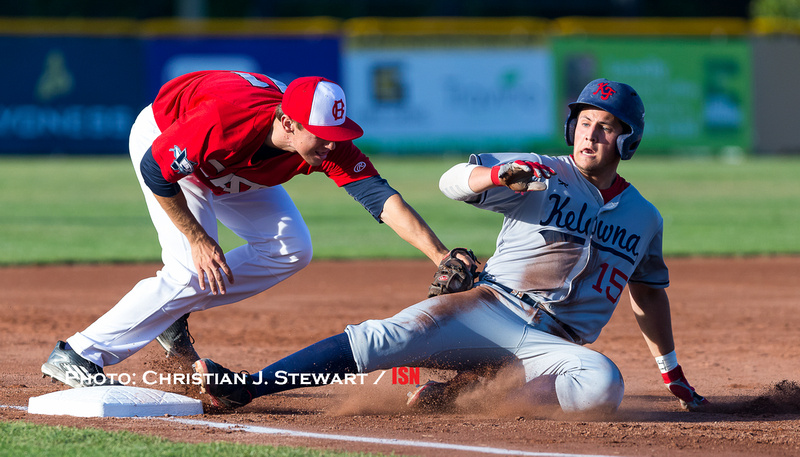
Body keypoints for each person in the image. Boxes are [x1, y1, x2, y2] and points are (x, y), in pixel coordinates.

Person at [192, 78, 709, 414]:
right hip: (489, 307)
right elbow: (451, 181)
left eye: (607, 128)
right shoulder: (544, 172)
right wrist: (493, 175)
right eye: (586, 122)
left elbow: (648, 294)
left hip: (556, 344)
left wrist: (673, 373)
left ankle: (461, 395)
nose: (591, 135)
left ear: (628, 141)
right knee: (383, 339)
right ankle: (248, 385)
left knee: (602, 385)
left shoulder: (645, 218)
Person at [41, 71, 469, 388]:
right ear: (288, 123)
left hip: (235, 170)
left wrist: (441, 256)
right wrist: (197, 238)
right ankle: (79, 352)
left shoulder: (323, 144)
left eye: (336, 136)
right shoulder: (225, 120)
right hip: (169, 145)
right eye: (322, 136)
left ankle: (172, 313)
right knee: (188, 270)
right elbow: (157, 170)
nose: (332, 145)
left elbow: (378, 196)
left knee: (291, 248)